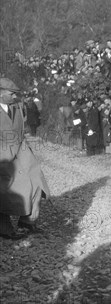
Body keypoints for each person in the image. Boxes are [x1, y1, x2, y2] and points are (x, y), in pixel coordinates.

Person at [0, 78, 50, 239]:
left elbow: (21, 133)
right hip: (3, 156)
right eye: (11, 94)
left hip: (21, 151)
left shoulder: (17, 107)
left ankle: (28, 221)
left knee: (37, 181)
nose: (14, 97)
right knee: (5, 189)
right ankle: (4, 229)